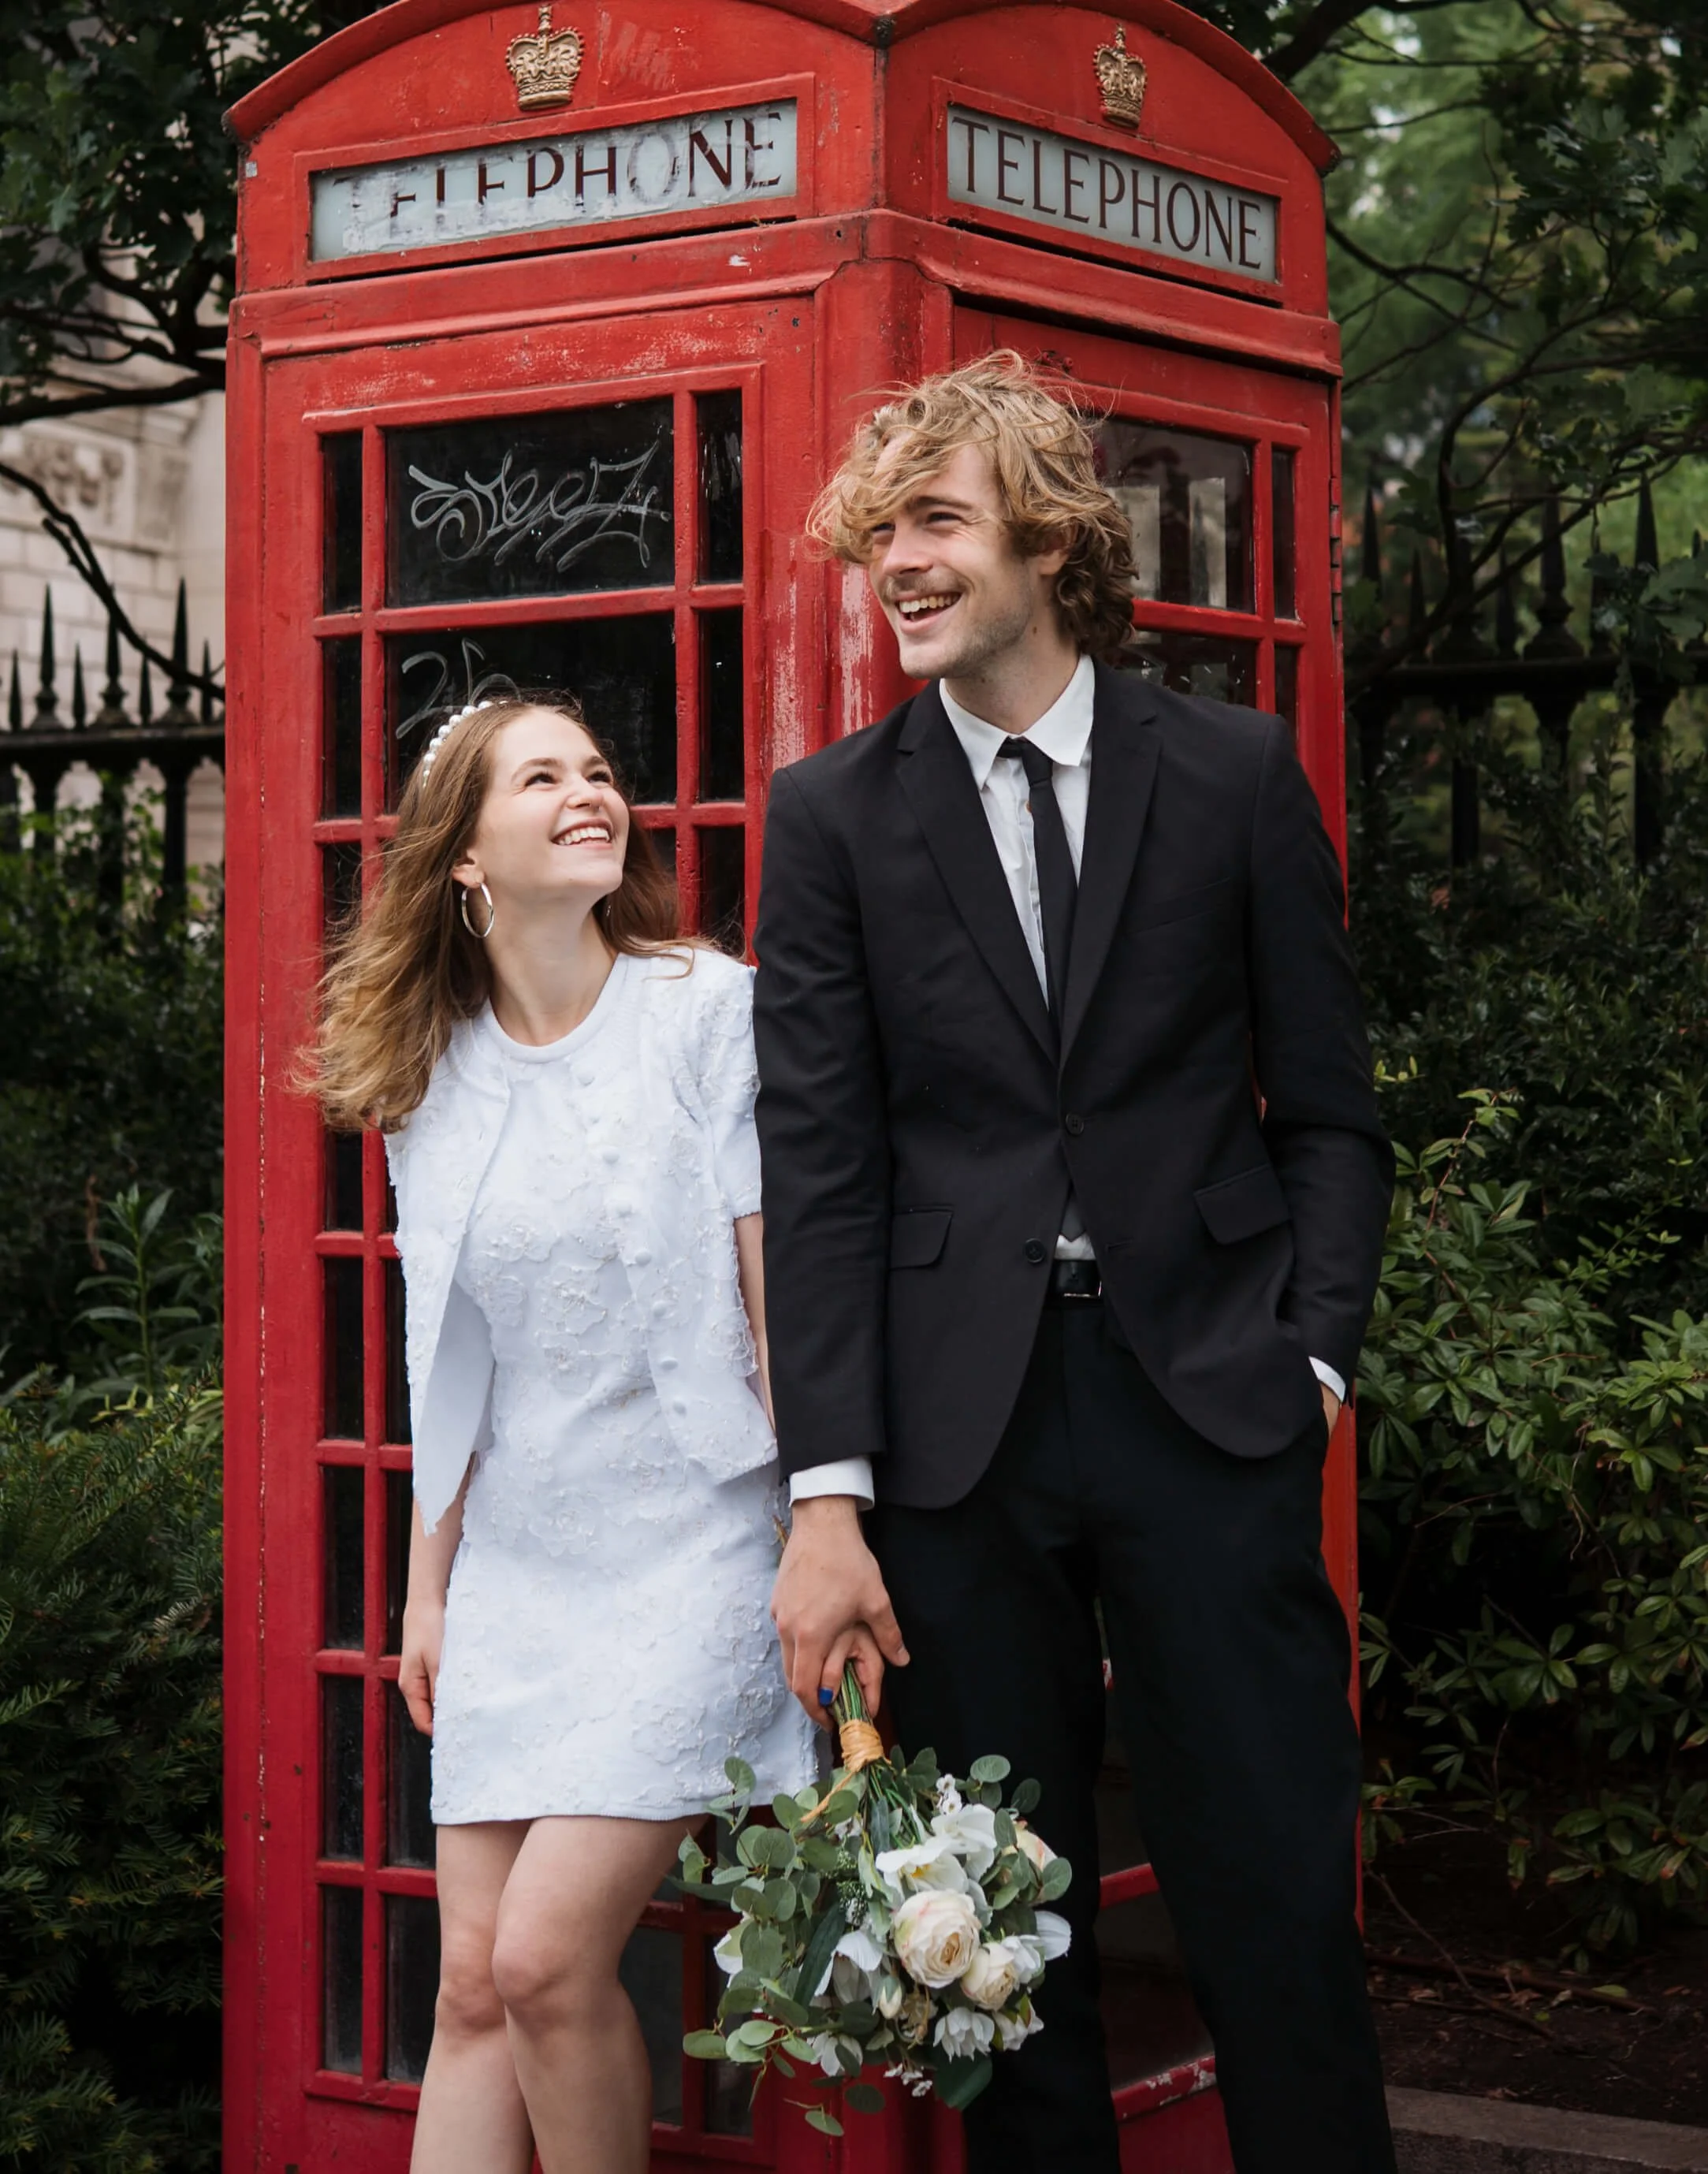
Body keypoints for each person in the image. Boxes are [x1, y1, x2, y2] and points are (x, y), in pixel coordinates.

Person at [754, 354, 1397, 2174]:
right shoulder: (833, 814)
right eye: (880, 533)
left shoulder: (1232, 773)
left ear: (1047, 538)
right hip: (955, 1443)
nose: (897, 562)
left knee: (1276, 1902)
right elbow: (821, 1170)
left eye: (936, 522)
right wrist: (827, 1491)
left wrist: (1312, 1364)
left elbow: (1331, 1115)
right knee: (1000, 1954)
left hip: (1209, 1396)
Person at [308, 694, 813, 2174]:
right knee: (471, 1988)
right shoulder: (431, 1077)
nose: (589, 792)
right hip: (521, 1563)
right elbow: (446, 1362)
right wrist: (427, 1588)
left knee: (539, 1958)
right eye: (541, 778)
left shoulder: (702, 1008)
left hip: (698, 1541)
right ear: (465, 856)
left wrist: (826, 1525)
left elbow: (778, 1294)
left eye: (596, 771)